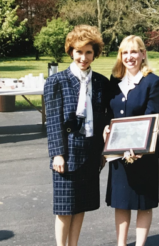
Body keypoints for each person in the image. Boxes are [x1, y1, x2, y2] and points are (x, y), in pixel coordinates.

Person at [44, 25, 109, 246]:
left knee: (82, 205)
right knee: (65, 208)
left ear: (95, 53)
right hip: (68, 153)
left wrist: (104, 150)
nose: (83, 57)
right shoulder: (57, 82)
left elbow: (103, 120)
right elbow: (53, 121)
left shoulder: (101, 82)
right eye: (79, 51)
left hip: (91, 151)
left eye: (88, 52)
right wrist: (57, 154)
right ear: (71, 51)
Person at [104, 35, 159, 246]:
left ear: (143, 54)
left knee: (143, 203)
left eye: (134, 52)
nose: (130, 57)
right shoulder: (114, 82)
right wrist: (105, 128)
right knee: (121, 202)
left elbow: (151, 116)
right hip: (118, 153)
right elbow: (108, 115)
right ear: (120, 56)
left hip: (143, 154)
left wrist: (139, 149)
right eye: (125, 52)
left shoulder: (153, 82)